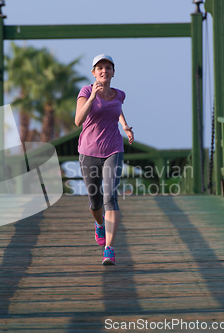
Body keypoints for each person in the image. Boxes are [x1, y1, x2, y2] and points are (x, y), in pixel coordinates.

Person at [75, 54, 134, 265]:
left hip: (113, 150)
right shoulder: (85, 92)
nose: (104, 71)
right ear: (93, 72)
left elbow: (116, 109)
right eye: (99, 68)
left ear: (113, 72)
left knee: (110, 198)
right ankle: (99, 224)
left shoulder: (120, 95)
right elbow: (77, 120)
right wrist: (92, 97)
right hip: (88, 152)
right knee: (95, 201)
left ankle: (109, 249)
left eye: (108, 68)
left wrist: (125, 126)